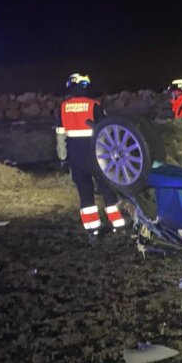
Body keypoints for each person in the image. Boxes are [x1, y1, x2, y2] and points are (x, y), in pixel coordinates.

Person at [55, 73, 125, 242]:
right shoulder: (94, 105)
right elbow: (106, 130)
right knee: (107, 188)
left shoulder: (63, 107)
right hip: (97, 154)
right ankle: (117, 224)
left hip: (75, 155)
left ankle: (93, 229)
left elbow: (60, 135)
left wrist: (62, 158)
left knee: (85, 191)